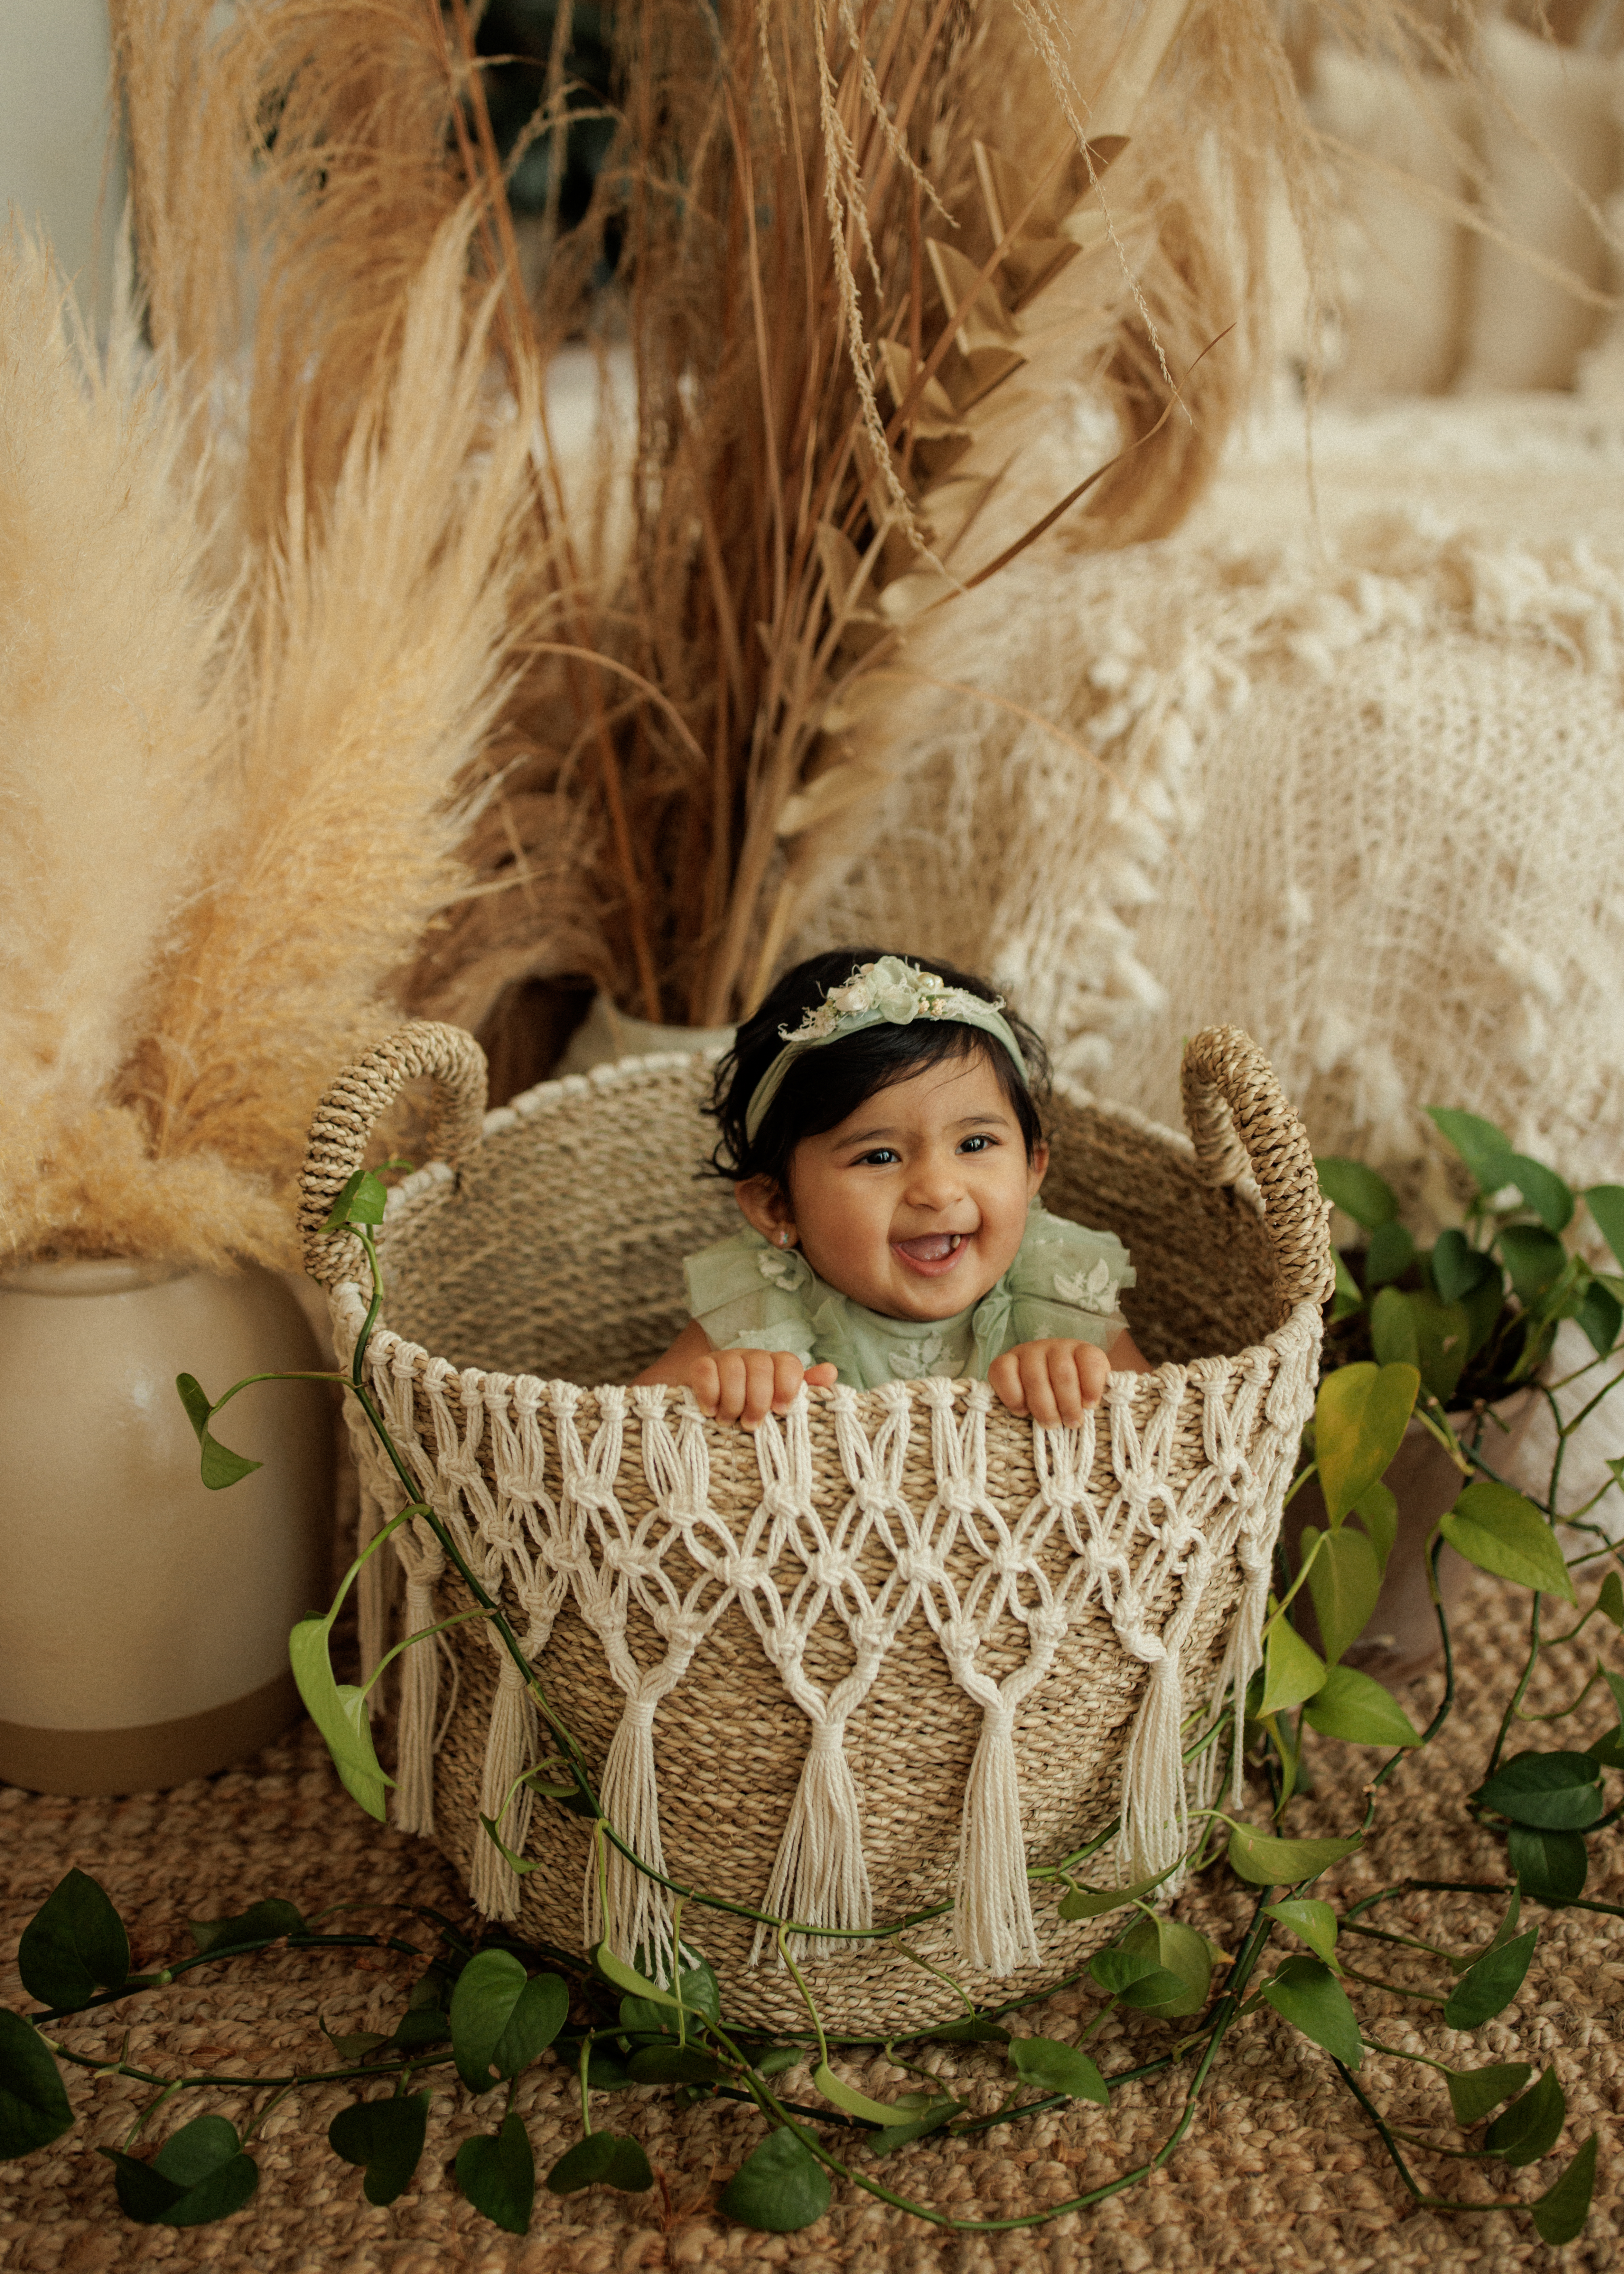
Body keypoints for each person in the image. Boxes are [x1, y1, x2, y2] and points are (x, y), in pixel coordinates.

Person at [635, 950, 1152, 1427]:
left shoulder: (1053, 1287)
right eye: (879, 1156)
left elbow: (1164, 1430)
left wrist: (1081, 1379)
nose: (937, 1190)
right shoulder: (763, 1301)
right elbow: (619, 1432)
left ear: (1031, 1167)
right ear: (777, 1207)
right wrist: (723, 1389)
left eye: (974, 1143)